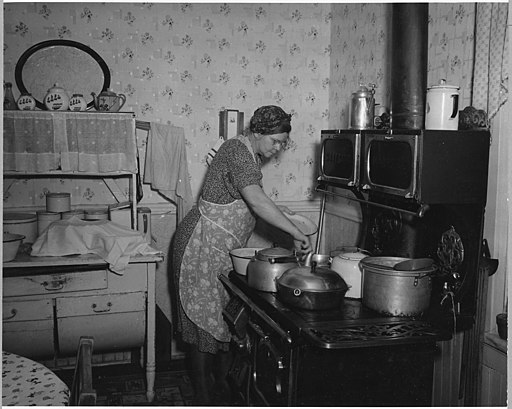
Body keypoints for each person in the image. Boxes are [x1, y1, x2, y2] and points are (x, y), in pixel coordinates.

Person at [171, 105, 313, 404]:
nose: (278, 149)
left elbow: (251, 201)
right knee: (203, 324)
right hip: (199, 245)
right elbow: (257, 202)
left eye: (283, 143)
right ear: (257, 132)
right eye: (275, 141)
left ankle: (219, 390)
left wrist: (285, 214)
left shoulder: (247, 155)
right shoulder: (237, 151)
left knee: (219, 320)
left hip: (216, 248)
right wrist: (296, 233)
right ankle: (205, 397)